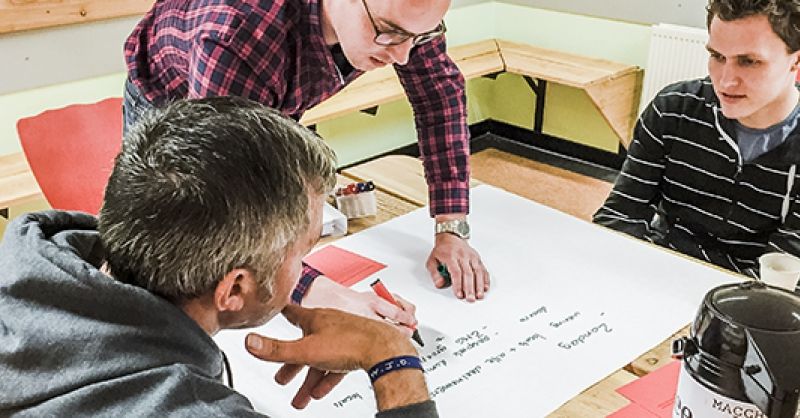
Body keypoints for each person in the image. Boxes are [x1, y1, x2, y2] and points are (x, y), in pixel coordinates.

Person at [0, 97, 437, 417]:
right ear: (234, 289)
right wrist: (390, 355)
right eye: (304, 252)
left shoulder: (27, 265)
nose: (305, 268)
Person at [123, 0, 490, 302]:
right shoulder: (239, 28)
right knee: (176, 249)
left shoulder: (399, 16)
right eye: (389, 33)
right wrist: (321, 292)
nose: (404, 56)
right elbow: (225, 192)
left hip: (269, 81)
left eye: (419, 35)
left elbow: (438, 96)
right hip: (169, 97)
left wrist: (451, 227)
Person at [594, 0, 800, 280]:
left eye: (749, 61)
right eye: (717, 56)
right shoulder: (673, 109)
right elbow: (620, 216)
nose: (725, 81)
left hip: (745, 303)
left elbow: (783, 272)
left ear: (796, 61)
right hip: (657, 272)